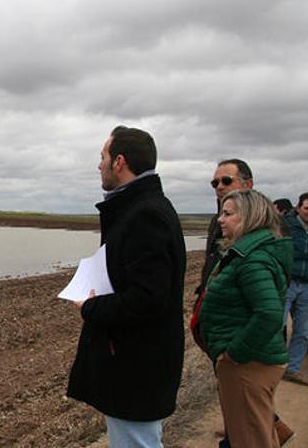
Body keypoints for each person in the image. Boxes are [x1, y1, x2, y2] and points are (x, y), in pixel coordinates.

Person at [67, 126, 186, 447]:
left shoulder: (145, 214)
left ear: (120, 161)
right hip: (136, 361)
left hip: (136, 365)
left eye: (102, 157)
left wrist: (91, 307)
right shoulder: (139, 208)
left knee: (137, 442)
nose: (99, 165)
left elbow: (149, 298)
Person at [193, 159, 294, 446]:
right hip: (245, 356)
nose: (221, 220)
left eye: (229, 214)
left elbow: (269, 314)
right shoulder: (247, 251)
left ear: (249, 217)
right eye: (215, 183)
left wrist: (234, 355)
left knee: (251, 438)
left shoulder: (253, 259)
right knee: (252, 431)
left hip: (247, 362)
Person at [196, 159, 253, 296]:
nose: (219, 187)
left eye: (226, 181)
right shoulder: (216, 221)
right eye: (215, 183)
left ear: (248, 184)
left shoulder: (261, 223)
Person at [281, 192, 308, 386]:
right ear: (298, 207)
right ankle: (271, 366)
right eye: (307, 208)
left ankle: (292, 369)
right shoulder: (284, 225)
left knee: (302, 331)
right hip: (287, 282)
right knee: (275, 325)